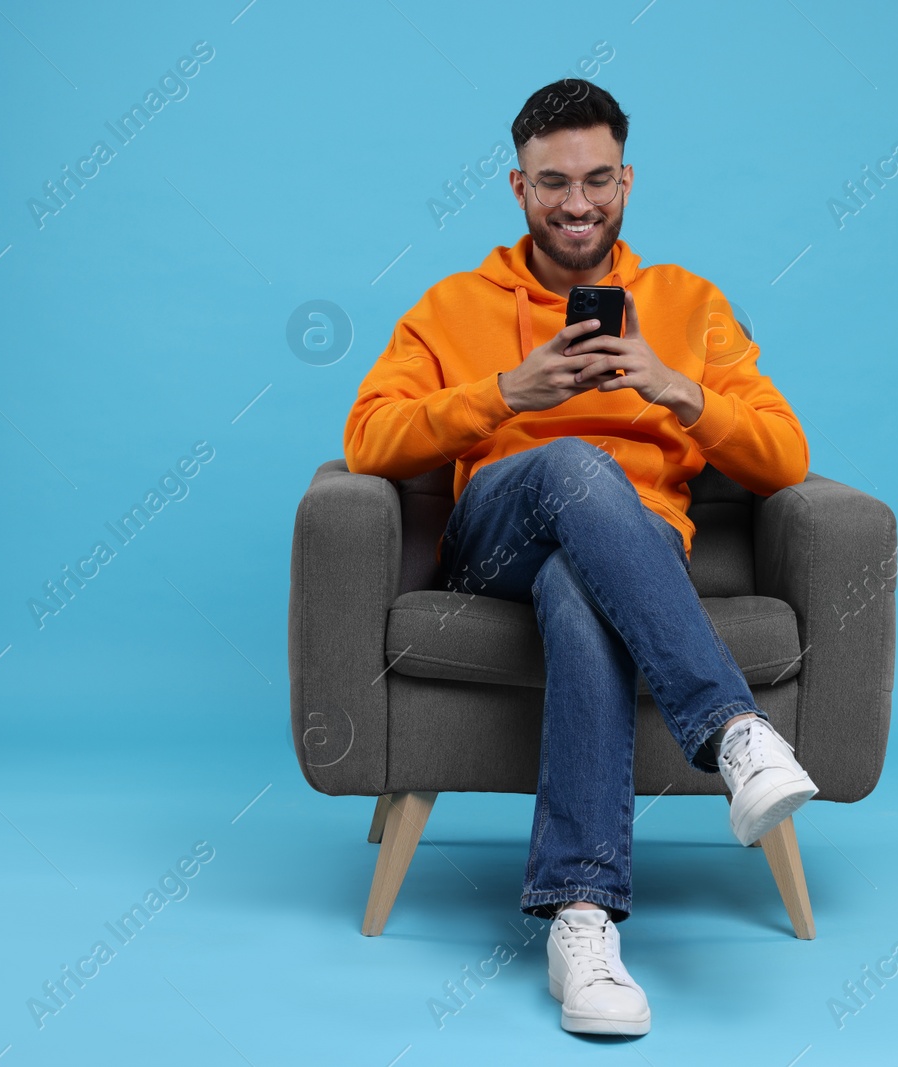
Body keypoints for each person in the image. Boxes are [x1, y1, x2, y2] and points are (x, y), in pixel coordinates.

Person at [341, 79, 818, 1037]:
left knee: (581, 584)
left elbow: (786, 459)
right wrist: (503, 394)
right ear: (518, 187)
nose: (578, 204)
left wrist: (679, 391)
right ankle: (733, 731)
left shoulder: (688, 302)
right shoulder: (455, 303)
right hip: (497, 534)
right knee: (568, 461)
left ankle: (581, 919)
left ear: (627, 180)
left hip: (637, 550)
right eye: (553, 183)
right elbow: (367, 439)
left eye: (598, 180)